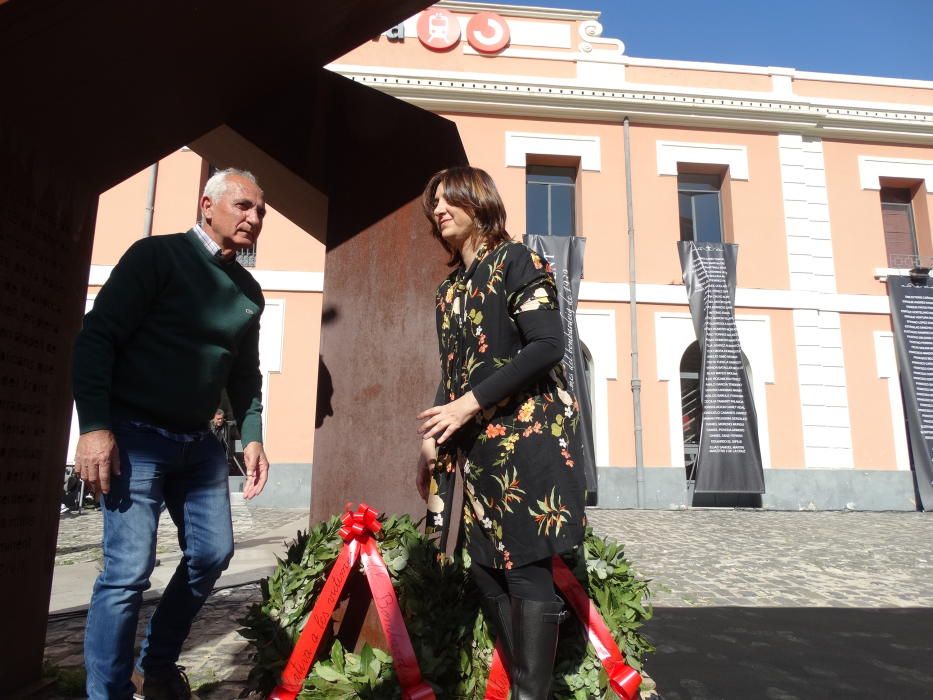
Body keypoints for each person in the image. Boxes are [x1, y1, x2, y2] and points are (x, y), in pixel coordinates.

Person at [72, 168, 271, 699]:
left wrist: (252, 434)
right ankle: (106, 692)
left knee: (212, 554)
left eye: (260, 212)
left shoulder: (249, 292)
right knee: (127, 574)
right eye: (244, 206)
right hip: (134, 437)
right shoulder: (155, 257)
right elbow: (97, 339)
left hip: (198, 446)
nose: (254, 218)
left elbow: (244, 374)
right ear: (207, 205)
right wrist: (94, 427)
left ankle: (154, 667)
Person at [416, 166, 587, 699]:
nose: (438, 209)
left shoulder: (518, 260)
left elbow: (547, 343)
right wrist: (436, 430)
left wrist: (467, 403)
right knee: (487, 568)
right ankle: (522, 683)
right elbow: (456, 368)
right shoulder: (448, 291)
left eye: (450, 200)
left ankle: (529, 694)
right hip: (479, 444)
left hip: (531, 435)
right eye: (434, 203)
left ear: (480, 202)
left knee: (526, 565)